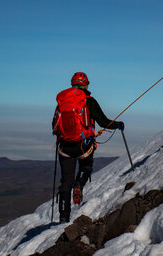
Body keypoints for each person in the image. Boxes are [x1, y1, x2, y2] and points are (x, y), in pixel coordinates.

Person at [52, 72, 124, 223]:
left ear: (73, 84)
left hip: (64, 147)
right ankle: (79, 183)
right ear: (85, 84)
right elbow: (104, 122)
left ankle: (64, 216)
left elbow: (55, 125)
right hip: (83, 145)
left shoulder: (62, 102)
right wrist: (118, 125)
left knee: (65, 182)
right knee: (86, 166)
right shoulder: (89, 100)